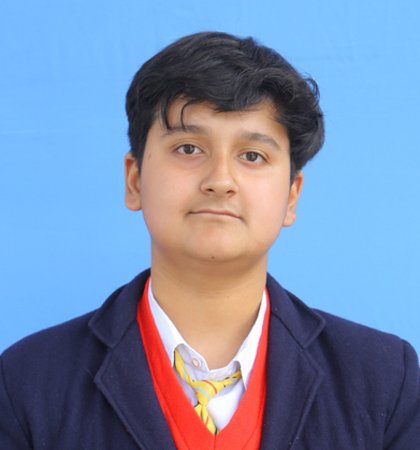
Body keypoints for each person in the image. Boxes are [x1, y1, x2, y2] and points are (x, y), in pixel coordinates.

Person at [0, 31, 419, 449]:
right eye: (188, 148)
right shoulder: (27, 382)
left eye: (252, 156)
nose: (220, 180)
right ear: (134, 180)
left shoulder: (383, 380)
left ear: (292, 196)